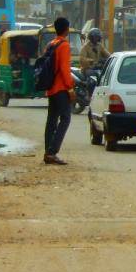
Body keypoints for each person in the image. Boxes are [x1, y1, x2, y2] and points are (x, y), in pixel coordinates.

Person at [43, 17, 75, 166]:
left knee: (51, 121)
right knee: (65, 119)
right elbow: (64, 69)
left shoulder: (50, 44)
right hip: (61, 88)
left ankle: (47, 152)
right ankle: (52, 152)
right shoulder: (64, 46)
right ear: (67, 29)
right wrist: (70, 87)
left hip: (50, 88)